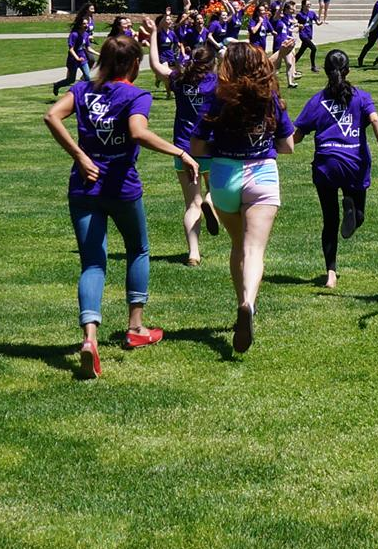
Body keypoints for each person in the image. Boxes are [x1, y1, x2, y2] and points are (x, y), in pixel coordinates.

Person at [45, 29, 198, 379]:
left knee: (93, 264)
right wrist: (180, 151)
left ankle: (89, 339)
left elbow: (52, 115)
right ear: (132, 65)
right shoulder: (135, 95)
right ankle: (136, 328)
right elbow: (138, 133)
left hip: (84, 187)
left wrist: (80, 155)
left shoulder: (83, 90)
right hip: (122, 187)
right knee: (138, 250)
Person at [191, 43, 294, 354]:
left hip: (224, 174)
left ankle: (243, 303)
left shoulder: (217, 97)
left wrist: (217, 150)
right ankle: (248, 302)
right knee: (254, 249)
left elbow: (196, 146)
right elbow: (288, 145)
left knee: (238, 245)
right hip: (262, 173)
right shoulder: (270, 97)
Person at [292, 49, 378, 289]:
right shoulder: (361, 97)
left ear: (326, 72)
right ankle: (351, 205)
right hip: (354, 164)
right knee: (357, 218)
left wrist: (276, 142)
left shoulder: (317, 101)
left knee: (329, 221)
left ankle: (330, 274)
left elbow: (296, 137)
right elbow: (376, 121)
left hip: (326, 164)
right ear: (347, 71)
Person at [148, 25, 221, 267]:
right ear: (211, 64)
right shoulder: (216, 82)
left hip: (183, 149)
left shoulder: (179, 79)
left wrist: (152, 36)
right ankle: (212, 202)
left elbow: (157, 67)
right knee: (216, 192)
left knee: (191, 203)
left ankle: (193, 253)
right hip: (211, 146)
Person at [51, 4, 96, 95]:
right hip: (73, 59)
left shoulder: (86, 35)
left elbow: (88, 48)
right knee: (70, 80)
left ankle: (82, 94)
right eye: (84, 24)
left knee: (87, 77)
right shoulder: (74, 35)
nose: (86, 25)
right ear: (79, 25)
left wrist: (100, 54)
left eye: (86, 23)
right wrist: (77, 58)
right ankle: (57, 85)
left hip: (82, 58)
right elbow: (71, 49)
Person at [295, 0, 320, 73]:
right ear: (303, 5)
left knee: (301, 52)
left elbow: (317, 22)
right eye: (307, 4)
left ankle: (292, 64)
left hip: (309, 34)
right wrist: (298, 25)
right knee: (313, 48)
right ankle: (313, 66)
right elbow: (295, 23)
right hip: (303, 34)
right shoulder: (299, 15)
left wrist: (320, 22)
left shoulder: (312, 13)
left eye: (310, 4)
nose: (309, 6)